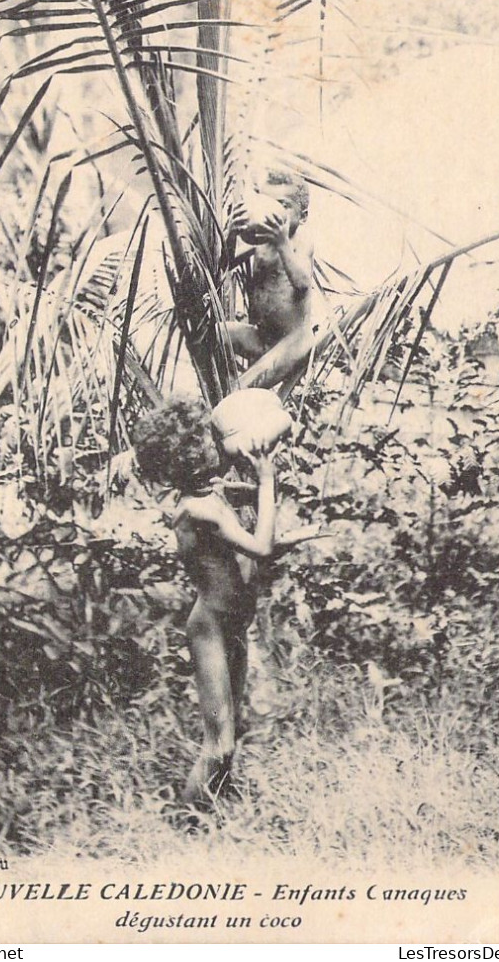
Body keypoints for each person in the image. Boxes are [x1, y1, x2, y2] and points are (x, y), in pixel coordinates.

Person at [132, 398, 276, 806]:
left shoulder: (209, 499)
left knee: (233, 732)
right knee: (220, 744)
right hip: (211, 628)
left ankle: (215, 807)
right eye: (214, 442)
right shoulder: (199, 510)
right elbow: (261, 546)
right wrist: (267, 481)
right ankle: (185, 823)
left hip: (230, 626)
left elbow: (246, 528)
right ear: (195, 457)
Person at [227, 169, 327, 391]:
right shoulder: (260, 241)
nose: (271, 211)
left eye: (282, 204)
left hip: (292, 342)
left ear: (302, 216)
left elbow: (302, 284)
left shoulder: (300, 241)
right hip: (262, 337)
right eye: (266, 203)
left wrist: (282, 244)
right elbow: (226, 264)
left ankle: (240, 393)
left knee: (239, 391)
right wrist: (232, 233)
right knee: (213, 332)